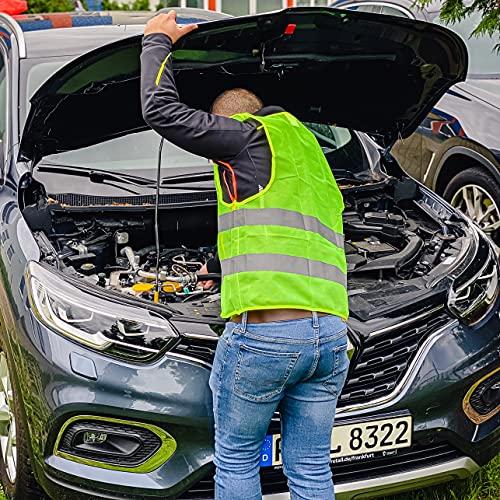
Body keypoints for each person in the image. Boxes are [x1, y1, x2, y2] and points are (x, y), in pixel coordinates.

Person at [141, 11, 350, 500]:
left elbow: (159, 110)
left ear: (228, 123)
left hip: (268, 337)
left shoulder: (244, 135)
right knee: (313, 471)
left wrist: (156, 40)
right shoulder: (310, 157)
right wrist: (219, 268)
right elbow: (287, 234)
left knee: (236, 458)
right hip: (330, 339)